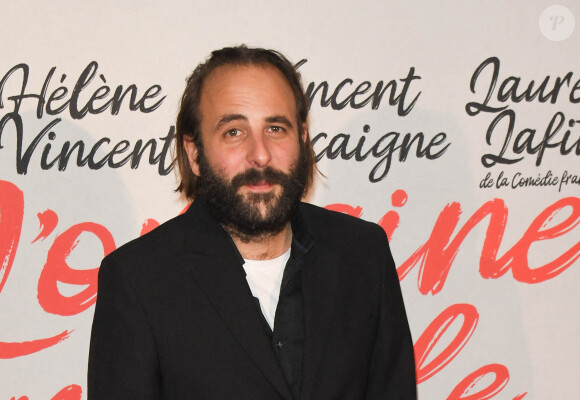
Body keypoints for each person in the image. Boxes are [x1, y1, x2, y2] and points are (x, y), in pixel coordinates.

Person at [88, 45, 416, 400]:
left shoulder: (363, 254)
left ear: (303, 139)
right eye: (234, 132)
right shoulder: (138, 280)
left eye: (276, 128)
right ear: (194, 153)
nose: (260, 154)